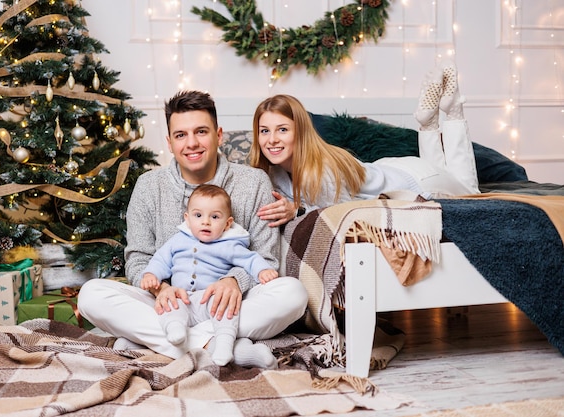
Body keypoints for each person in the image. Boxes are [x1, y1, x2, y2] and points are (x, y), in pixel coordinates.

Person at [78, 90, 308, 369]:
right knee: (91, 295)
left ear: (219, 135)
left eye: (201, 132)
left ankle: (157, 343)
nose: (192, 143)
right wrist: (161, 288)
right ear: (170, 142)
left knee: (293, 294)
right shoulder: (149, 185)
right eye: (181, 135)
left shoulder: (253, 182)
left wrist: (234, 281)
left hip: (230, 304)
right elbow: (137, 259)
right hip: (170, 305)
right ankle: (217, 346)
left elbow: (266, 258)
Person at [251, 60, 481, 227]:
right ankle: (429, 124)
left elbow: (340, 214)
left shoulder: (323, 172)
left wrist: (297, 210)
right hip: (392, 168)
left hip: (417, 181)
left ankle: (453, 113)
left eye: (282, 130)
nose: (271, 140)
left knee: (470, 192)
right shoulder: (274, 172)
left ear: (300, 133)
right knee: (450, 175)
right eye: (264, 131)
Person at [142, 184, 279, 366]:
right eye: (198, 216)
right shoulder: (178, 240)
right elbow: (160, 260)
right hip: (181, 297)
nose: (205, 222)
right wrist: (152, 274)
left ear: (227, 223)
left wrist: (263, 270)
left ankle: (223, 342)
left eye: (214, 217)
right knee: (169, 306)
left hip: (211, 300)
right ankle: (176, 330)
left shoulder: (229, 244)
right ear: (188, 218)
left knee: (226, 306)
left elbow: (251, 259)